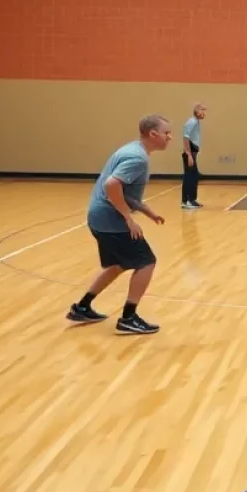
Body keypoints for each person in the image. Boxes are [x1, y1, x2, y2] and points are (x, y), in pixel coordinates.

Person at [67, 114, 171, 335]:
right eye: (167, 133)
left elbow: (122, 190)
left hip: (98, 217)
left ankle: (82, 307)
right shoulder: (137, 158)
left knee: (119, 264)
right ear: (153, 134)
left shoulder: (133, 149)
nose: (170, 137)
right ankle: (128, 318)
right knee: (146, 261)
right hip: (110, 219)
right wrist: (129, 218)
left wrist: (146, 210)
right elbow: (112, 184)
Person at [181, 102, 206, 210]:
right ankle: (187, 201)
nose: (204, 113)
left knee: (194, 176)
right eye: (202, 110)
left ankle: (191, 199)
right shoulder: (192, 122)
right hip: (189, 152)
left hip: (193, 152)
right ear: (196, 111)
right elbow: (185, 137)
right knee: (190, 177)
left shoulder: (196, 122)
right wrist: (189, 154)